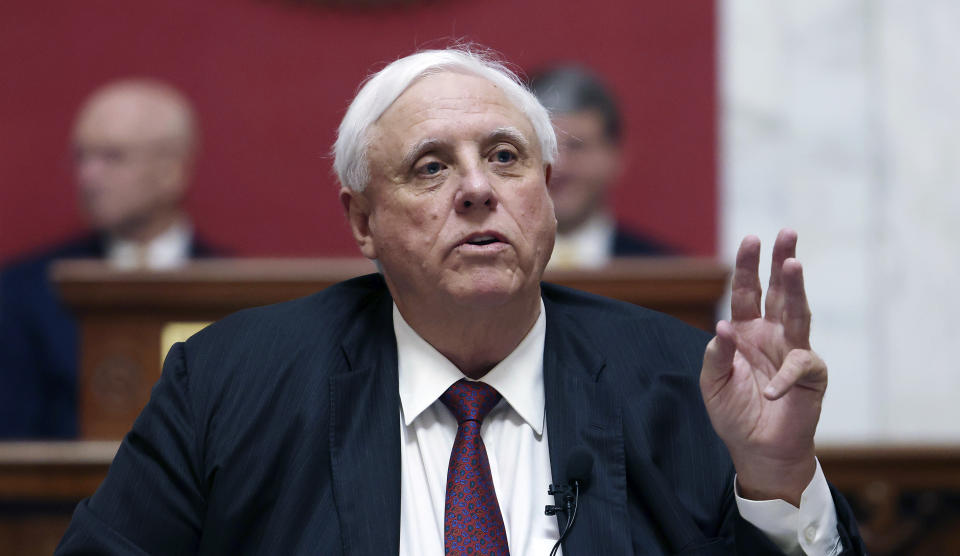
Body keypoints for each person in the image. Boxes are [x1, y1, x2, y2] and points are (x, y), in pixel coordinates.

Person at [56, 49, 864, 554]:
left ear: (546, 196)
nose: (478, 189)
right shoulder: (229, 384)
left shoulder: (679, 383)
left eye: (506, 157)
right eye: (431, 167)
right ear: (362, 219)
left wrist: (776, 479)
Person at [0, 79, 218, 439]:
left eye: (112, 157)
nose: (88, 176)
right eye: (81, 157)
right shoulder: (27, 292)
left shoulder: (235, 291)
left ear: (172, 170)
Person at [529, 65, 672, 269]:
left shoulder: (665, 275)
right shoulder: (485, 269)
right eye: (545, 146)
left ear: (615, 157)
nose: (559, 164)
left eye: (577, 146)